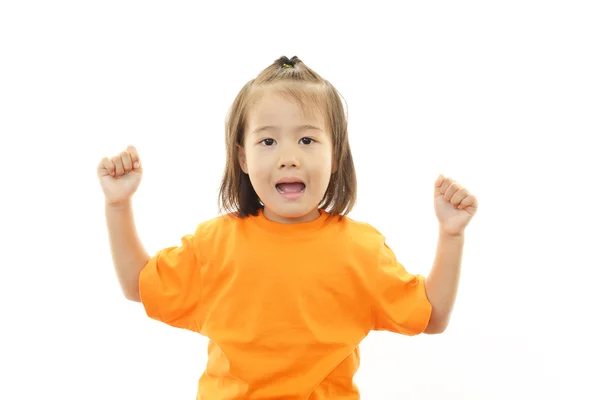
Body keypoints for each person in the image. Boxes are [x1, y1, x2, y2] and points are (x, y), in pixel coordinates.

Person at [97, 55, 478, 399]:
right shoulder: (215, 244)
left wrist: (451, 234)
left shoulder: (360, 249)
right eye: (268, 140)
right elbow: (138, 285)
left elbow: (432, 316)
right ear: (243, 157)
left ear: (335, 156)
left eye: (307, 139)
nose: (289, 158)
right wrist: (118, 205)